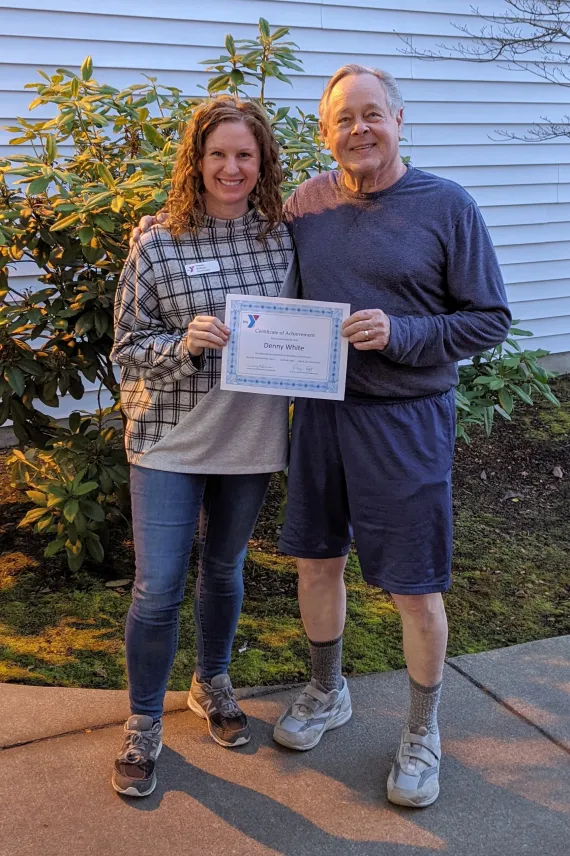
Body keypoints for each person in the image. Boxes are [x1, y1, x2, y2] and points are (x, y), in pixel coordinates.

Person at [132, 64, 511, 809]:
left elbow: (489, 318)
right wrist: (166, 246)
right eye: (344, 119)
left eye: (371, 114)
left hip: (406, 419)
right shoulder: (304, 205)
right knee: (316, 562)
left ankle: (422, 731)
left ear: (398, 120)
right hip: (320, 414)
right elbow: (242, 248)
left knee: (415, 586)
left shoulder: (447, 206)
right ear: (324, 132)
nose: (359, 129)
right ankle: (327, 689)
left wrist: (403, 333)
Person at [110, 95, 294, 798]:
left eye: (245, 154)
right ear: (197, 160)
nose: (231, 167)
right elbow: (126, 349)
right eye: (218, 153)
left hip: (249, 438)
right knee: (157, 587)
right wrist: (183, 344)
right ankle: (142, 721)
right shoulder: (157, 242)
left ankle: (211, 681)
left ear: (263, 162)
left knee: (224, 569)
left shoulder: (282, 238)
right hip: (169, 439)